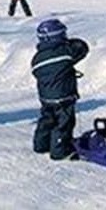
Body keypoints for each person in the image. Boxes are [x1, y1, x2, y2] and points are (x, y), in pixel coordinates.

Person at [31, 19, 89, 160]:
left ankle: (41, 145)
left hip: (45, 97)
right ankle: (60, 151)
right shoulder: (64, 52)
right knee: (63, 124)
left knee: (47, 119)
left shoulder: (37, 57)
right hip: (64, 96)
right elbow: (82, 47)